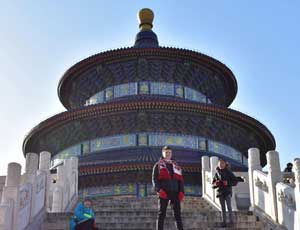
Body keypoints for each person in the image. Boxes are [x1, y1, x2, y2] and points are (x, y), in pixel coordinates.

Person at [152, 146, 184, 230]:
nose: (168, 154)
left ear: (171, 153)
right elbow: (154, 179)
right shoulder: (158, 165)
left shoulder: (176, 165)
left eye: (169, 152)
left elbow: (180, 180)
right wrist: (159, 190)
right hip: (164, 192)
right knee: (161, 214)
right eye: (166, 152)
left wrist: (181, 191)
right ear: (163, 153)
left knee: (177, 214)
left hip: (175, 192)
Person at [212, 159, 238, 228]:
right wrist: (216, 184)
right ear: (218, 164)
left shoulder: (228, 172)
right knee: (222, 208)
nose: (221, 164)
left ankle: (231, 222)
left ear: (225, 164)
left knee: (229, 207)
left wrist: (228, 183)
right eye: (220, 163)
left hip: (227, 191)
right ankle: (224, 223)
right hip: (220, 192)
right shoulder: (216, 173)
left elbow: (235, 181)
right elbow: (213, 185)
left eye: (222, 163)